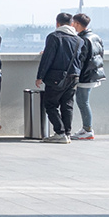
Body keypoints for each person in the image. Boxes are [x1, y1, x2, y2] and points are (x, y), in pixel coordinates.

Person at [36, 11, 84, 144]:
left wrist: (40, 76)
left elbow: (48, 59)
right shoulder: (78, 40)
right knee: (67, 105)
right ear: (71, 24)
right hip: (74, 76)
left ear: (57, 23)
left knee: (50, 105)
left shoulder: (54, 37)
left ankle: (60, 132)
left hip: (56, 76)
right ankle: (67, 133)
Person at [73, 12, 105, 139]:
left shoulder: (83, 39)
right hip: (94, 74)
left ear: (77, 24)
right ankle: (87, 129)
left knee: (82, 101)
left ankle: (87, 129)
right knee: (84, 101)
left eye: (73, 23)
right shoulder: (96, 37)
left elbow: (80, 59)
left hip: (85, 76)